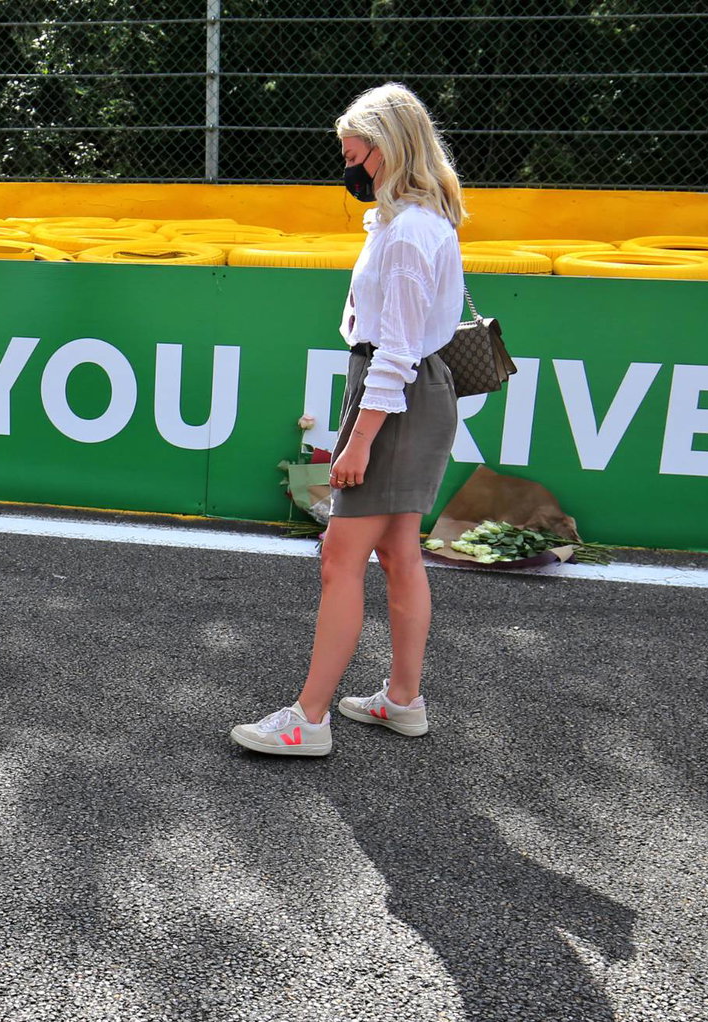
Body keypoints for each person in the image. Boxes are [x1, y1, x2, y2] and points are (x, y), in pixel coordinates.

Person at [231, 84, 465, 756]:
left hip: (394, 396)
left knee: (340, 558)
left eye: (354, 150)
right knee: (397, 553)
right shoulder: (410, 221)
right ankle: (402, 699)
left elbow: (394, 353)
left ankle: (310, 717)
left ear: (388, 147)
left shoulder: (411, 231)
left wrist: (357, 440)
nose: (348, 163)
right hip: (406, 393)